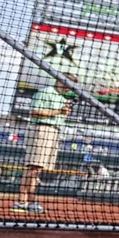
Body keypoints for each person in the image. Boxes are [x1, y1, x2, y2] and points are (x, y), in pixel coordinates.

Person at [13, 74, 76, 214]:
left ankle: (23, 202)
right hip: (41, 129)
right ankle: (28, 201)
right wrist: (59, 111)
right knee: (34, 167)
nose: (69, 89)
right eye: (68, 85)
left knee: (36, 168)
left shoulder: (63, 98)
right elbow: (34, 113)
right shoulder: (45, 92)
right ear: (60, 81)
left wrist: (62, 112)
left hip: (54, 131)